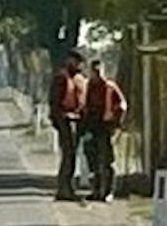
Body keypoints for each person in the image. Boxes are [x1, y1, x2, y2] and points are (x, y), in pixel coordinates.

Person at [79, 59, 128, 202]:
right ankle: (96, 191)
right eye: (94, 71)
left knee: (106, 161)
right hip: (91, 127)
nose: (97, 74)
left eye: (99, 71)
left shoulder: (110, 87)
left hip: (105, 128)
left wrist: (116, 122)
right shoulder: (87, 86)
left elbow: (122, 105)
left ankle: (107, 192)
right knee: (92, 161)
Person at [48, 51, 86, 200]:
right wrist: (59, 120)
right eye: (76, 62)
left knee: (71, 156)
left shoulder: (75, 78)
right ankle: (64, 189)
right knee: (68, 155)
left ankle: (67, 187)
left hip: (73, 120)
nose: (78, 65)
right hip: (65, 120)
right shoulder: (61, 78)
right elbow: (55, 101)